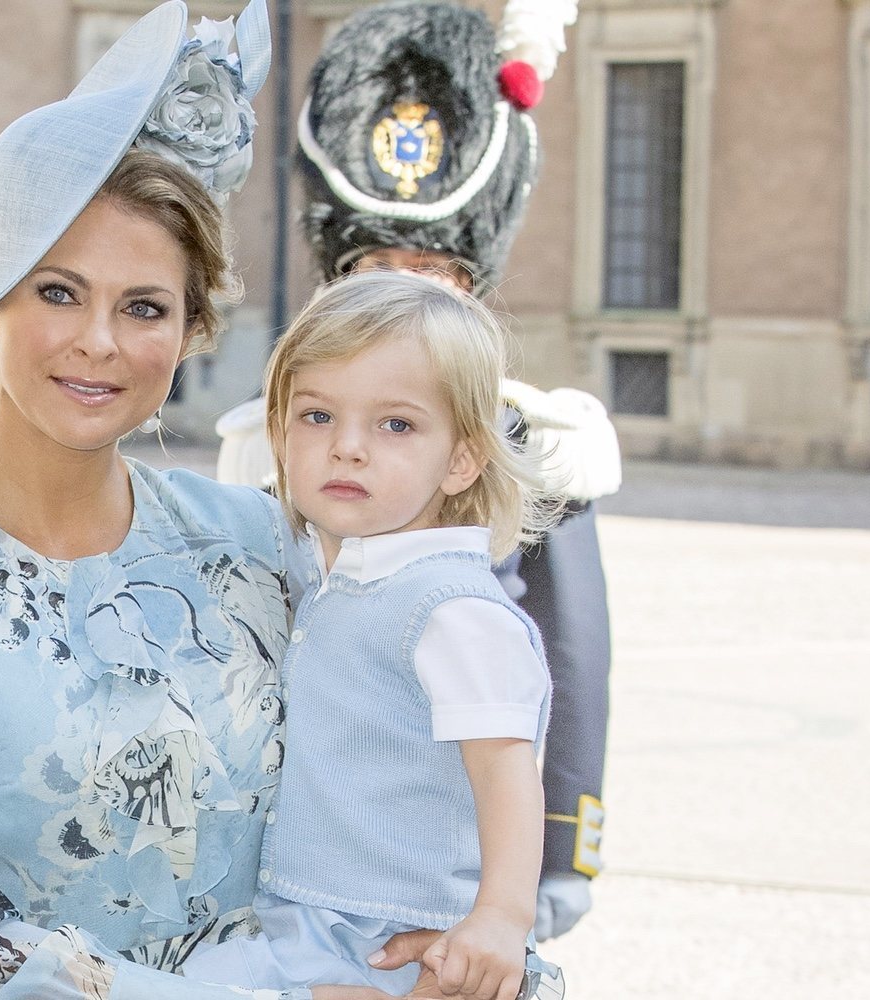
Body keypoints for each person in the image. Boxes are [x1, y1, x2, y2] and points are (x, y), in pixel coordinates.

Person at [0, 4, 441, 998]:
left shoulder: (258, 543)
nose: (98, 341)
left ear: (190, 331)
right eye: (57, 291)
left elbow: (363, 811)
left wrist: (448, 950)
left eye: (143, 306)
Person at [212, 0, 617, 940]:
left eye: (432, 270)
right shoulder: (264, 441)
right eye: (374, 266)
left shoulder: (541, 439)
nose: (403, 292)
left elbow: (571, 657)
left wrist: (555, 863)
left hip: (445, 877)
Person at [184, 273, 565, 1000]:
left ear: (462, 457)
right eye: (318, 416)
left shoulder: (451, 609)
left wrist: (500, 917)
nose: (347, 448)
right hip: (309, 914)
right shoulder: (349, 577)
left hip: (390, 936)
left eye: (395, 425)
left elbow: (505, 768)